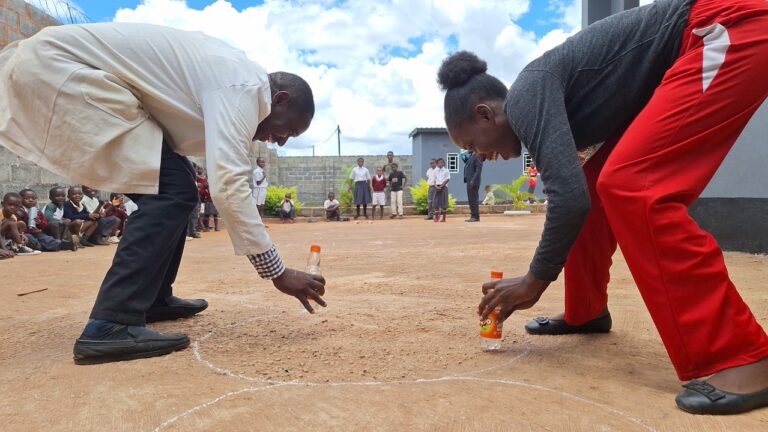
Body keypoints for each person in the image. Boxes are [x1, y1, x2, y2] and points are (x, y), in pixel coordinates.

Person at [437, 0, 768, 414]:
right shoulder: (541, 107)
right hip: (693, 48)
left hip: (722, 28)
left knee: (634, 186)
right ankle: (585, 311)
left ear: (485, 114)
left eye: (472, 146)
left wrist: (533, 281)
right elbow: (579, 190)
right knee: (597, 180)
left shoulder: (525, 97)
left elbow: (567, 199)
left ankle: (741, 355)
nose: (479, 157)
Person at [0, 22, 328, 365]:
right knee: (170, 191)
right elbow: (229, 184)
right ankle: (110, 324)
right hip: (59, 71)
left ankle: (152, 298)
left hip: (65, 72)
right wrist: (277, 272)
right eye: (288, 129)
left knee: (179, 185)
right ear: (280, 98)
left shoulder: (237, 81)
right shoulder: (245, 87)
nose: (281, 140)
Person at [463, 150, 483, 222]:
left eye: (468, 147)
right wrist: (462, 156)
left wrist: (473, 180)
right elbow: (467, 163)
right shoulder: (472, 156)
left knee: (473, 199)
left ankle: (475, 217)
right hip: (470, 181)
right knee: (471, 199)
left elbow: (478, 169)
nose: (467, 149)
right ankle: (473, 215)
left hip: (473, 182)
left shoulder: (477, 155)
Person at [433, 158, 450, 222]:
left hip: (444, 187)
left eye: (442, 162)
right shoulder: (435, 171)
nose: (440, 164)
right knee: (436, 202)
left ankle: (443, 218)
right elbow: (434, 179)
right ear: (437, 164)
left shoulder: (446, 170)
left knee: (444, 202)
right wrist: (436, 186)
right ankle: (436, 217)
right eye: (439, 163)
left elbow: (447, 179)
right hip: (437, 188)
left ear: (444, 163)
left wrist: (441, 186)